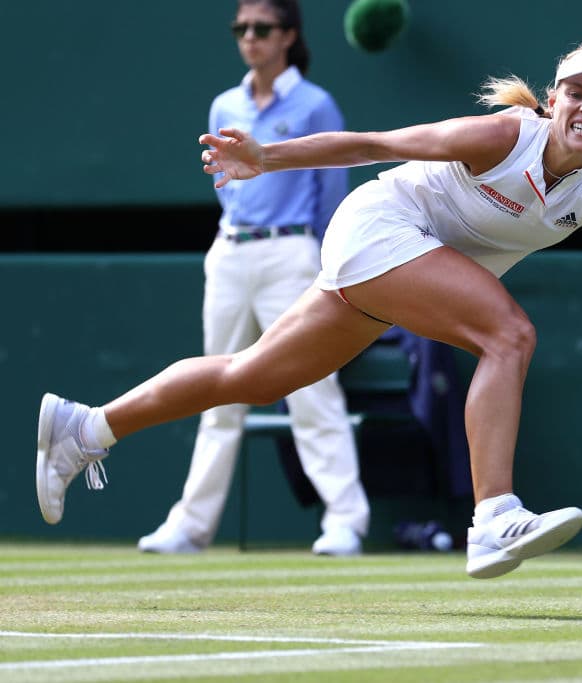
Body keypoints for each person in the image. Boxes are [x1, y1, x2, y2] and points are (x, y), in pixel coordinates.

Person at [36, 42, 582, 579]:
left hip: (400, 268)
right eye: (577, 93)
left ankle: (85, 427)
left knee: (248, 375)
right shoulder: (497, 136)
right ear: (553, 102)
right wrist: (267, 156)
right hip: (379, 228)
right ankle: (493, 518)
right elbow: (377, 142)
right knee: (508, 333)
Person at [137, 0, 370, 557]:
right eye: (241, 28)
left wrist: (320, 258)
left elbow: (331, 191)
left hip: (292, 252)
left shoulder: (316, 105)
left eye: (261, 28)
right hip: (230, 252)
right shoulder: (226, 103)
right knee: (216, 389)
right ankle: (191, 526)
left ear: (288, 35)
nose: (250, 37)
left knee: (312, 387)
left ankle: (345, 521)